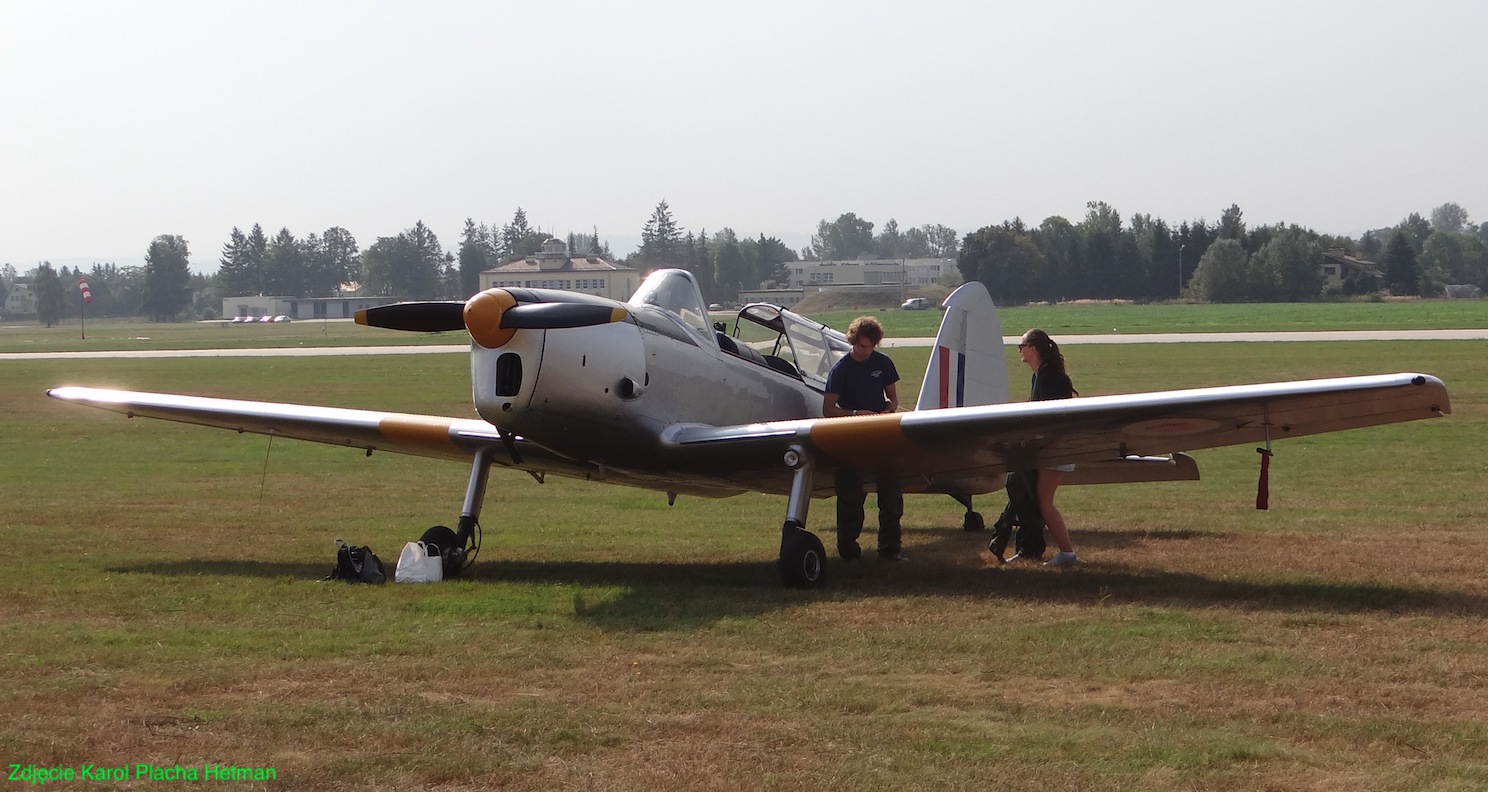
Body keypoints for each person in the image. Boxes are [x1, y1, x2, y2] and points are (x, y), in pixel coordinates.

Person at [822, 316, 904, 561]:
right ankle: (848, 550)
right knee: (850, 496)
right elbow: (828, 409)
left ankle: (889, 549)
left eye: (870, 346)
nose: (865, 351)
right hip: (852, 435)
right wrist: (857, 413)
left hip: (880, 433)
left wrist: (888, 412)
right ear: (853, 341)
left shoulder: (883, 363)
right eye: (860, 346)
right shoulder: (842, 368)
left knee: (891, 493)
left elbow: (893, 399)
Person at [1017, 328, 1080, 567]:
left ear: (1033, 349)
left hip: (1057, 447)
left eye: (1021, 346)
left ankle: (1067, 554)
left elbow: (1055, 418)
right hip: (1048, 446)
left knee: (1045, 502)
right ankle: (1031, 548)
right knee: (1035, 498)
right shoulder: (1039, 375)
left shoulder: (1051, 377)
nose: (1020, 351)